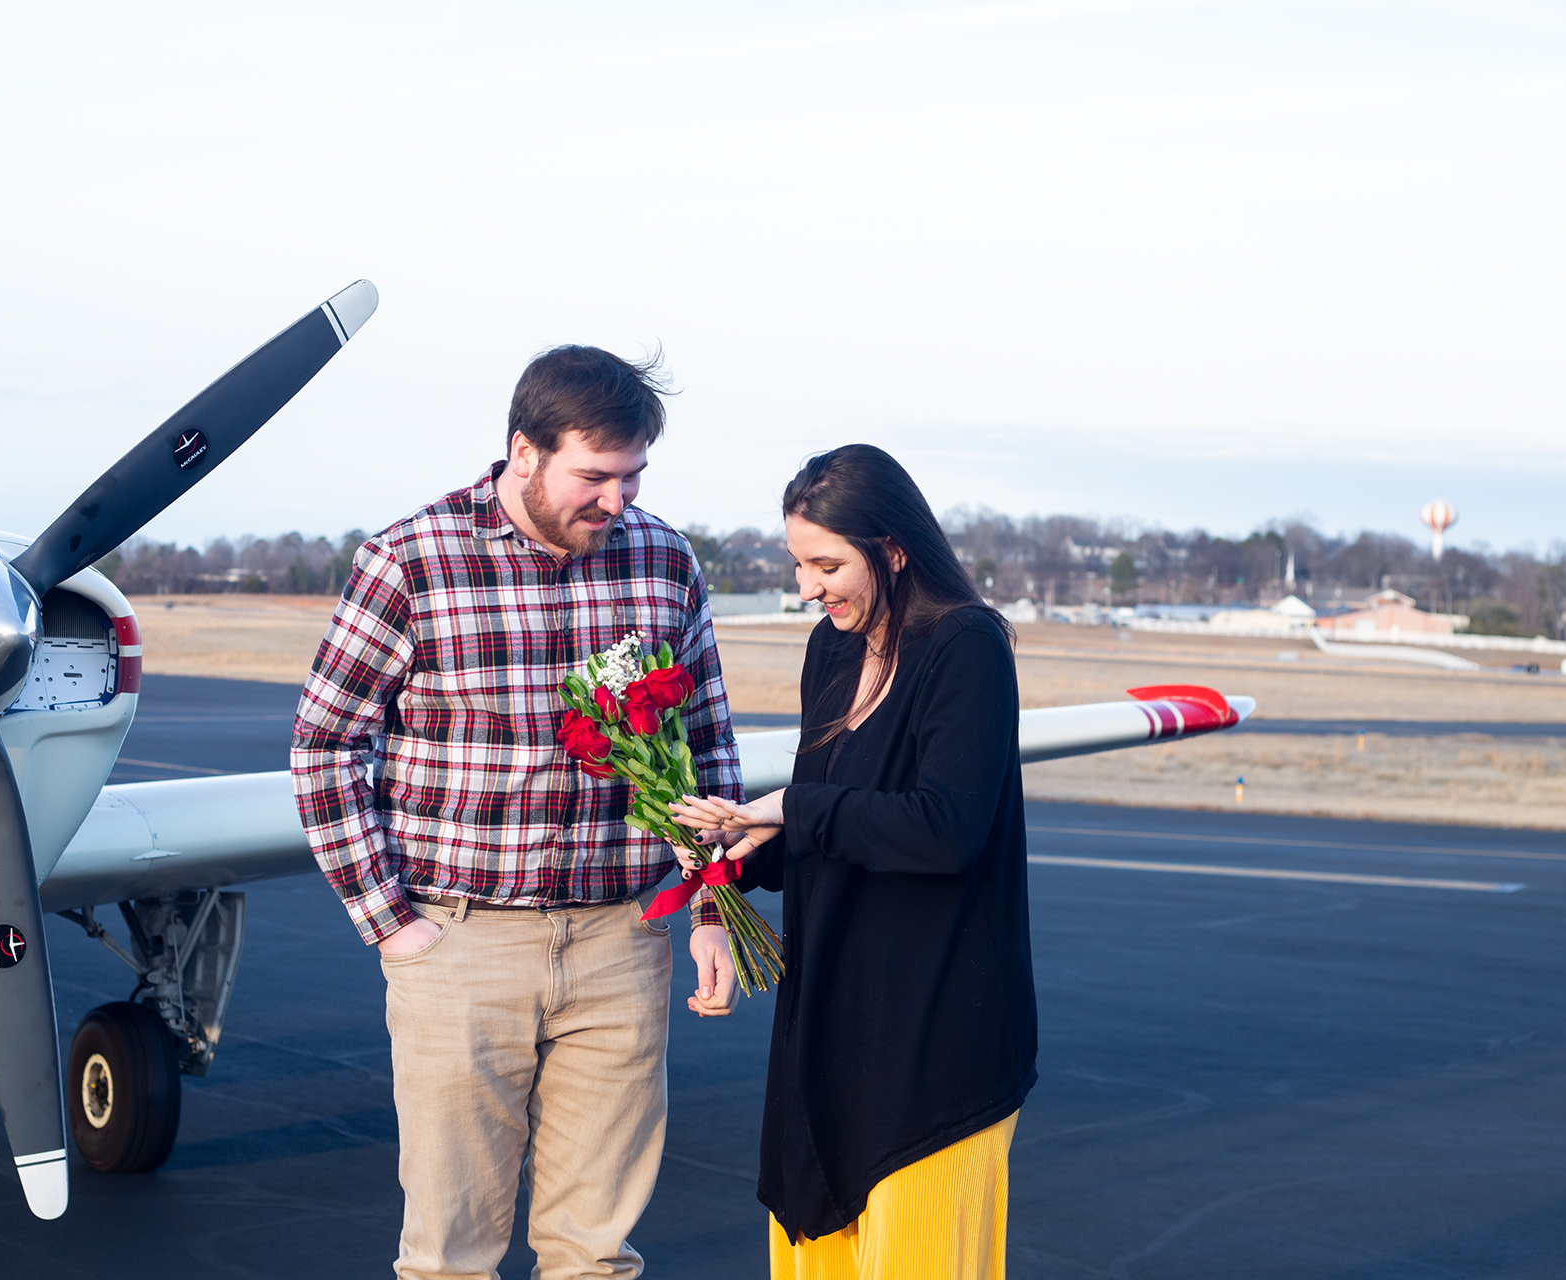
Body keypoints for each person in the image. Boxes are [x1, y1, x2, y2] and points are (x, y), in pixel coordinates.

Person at [291, 345, 745, 1280]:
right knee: (451, 1255)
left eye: (632, 477)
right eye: (595, 476)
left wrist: (712, 907)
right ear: (523, 453)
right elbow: (326, 747)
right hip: (460, 944)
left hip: (621, 941)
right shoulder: (408, 560)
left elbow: (708, 749)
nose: (616, 501)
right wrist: (393, 927)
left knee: (595, 1255)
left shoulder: (664, 559)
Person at [669, 443, 1036, 1280]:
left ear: (894, 548)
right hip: (830, 1022)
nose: (808, 586)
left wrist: (793, 809)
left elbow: (944, 830)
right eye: (799, 563)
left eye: (827, 563)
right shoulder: (831, 651)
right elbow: (836, 813)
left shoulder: (966, 646)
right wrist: (732, 863)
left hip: (934, 1042)